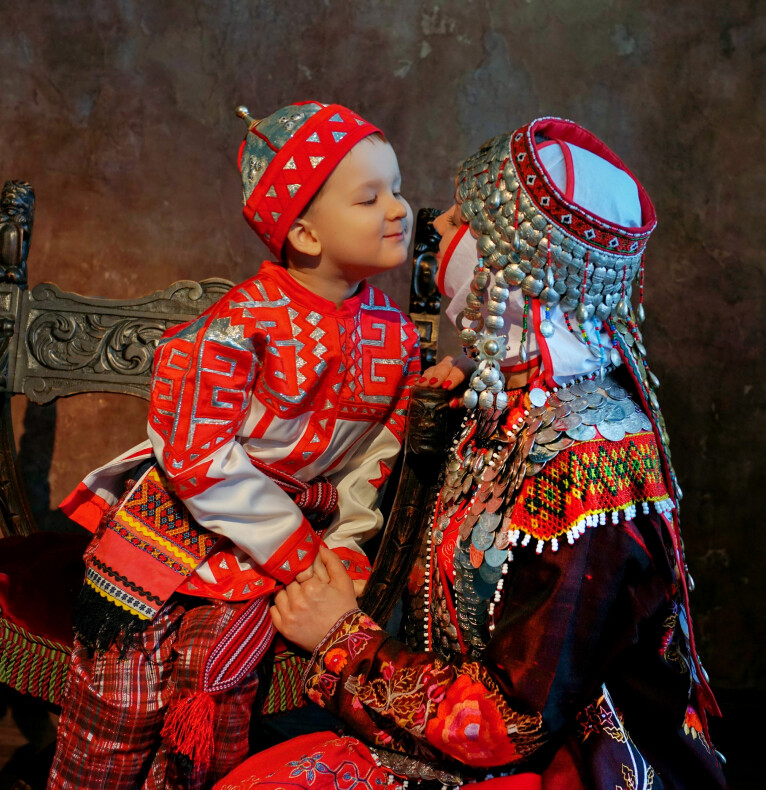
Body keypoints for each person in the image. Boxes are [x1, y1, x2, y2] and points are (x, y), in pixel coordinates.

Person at [215, 116, 729, 789]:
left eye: (461, 221)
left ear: (516, 259)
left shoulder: (587, 469)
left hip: (553, 767)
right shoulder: (510, 398)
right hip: (447, 732)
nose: (437, 233)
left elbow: (509, 722)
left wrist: (341, 636)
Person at [47, 100, 421, 790]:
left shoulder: (397, 338)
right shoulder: (239, 325)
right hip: (181, 518)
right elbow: (195, 455)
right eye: (370, 197)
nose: (398, 209)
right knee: (123, 686)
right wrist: (299, 550)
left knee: (212, 676)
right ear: (304, 234)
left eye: (396, 188)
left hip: (287, 534)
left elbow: (376, 461)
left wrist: (341, 549)